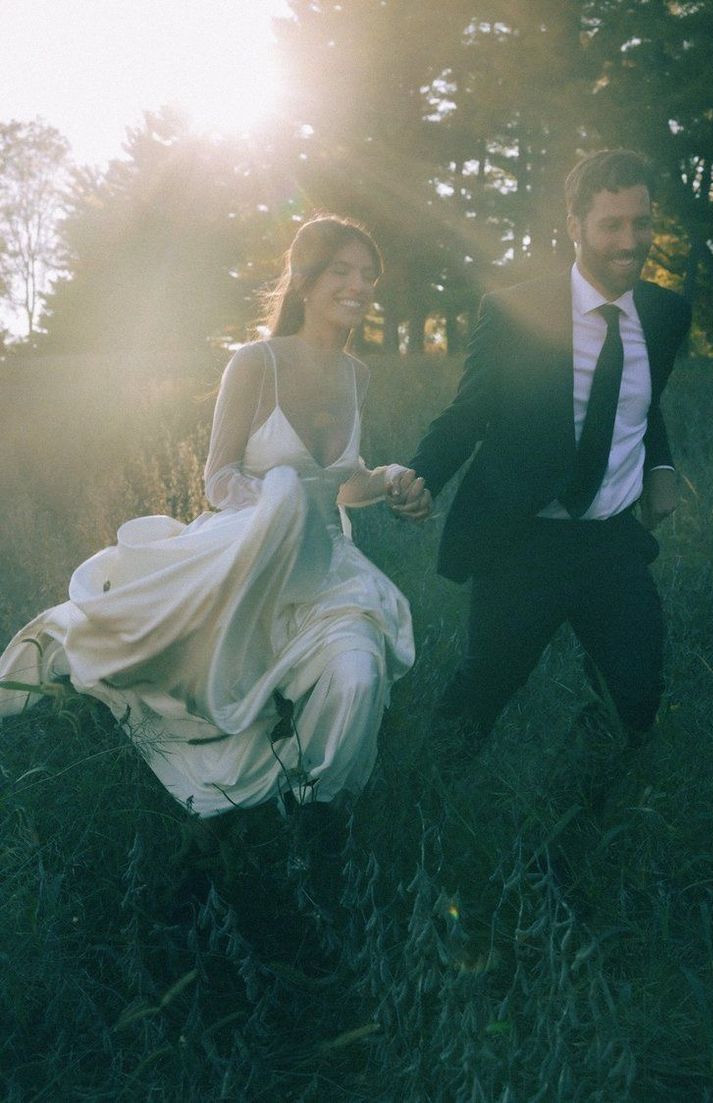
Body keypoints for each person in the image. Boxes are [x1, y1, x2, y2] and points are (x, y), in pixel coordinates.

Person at [0, 216, 420, 821]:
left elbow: (344, 484)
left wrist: (391, 478)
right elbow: (218, 477)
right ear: (305, 280)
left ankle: (319, 812)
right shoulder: (255, 362)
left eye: (369, 276)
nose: (360, 285)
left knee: (356, 677)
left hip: (329, 568)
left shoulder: (359, 374)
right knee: (186, 674)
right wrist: (279, 507)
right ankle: (228, 805)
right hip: (247, 549)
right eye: (343, 271)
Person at [391, 149, 692, 760]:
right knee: (482, 692)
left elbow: (638, 395)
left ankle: (571, 827)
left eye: (642, 222)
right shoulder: (514, 311)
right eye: (611, 225)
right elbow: (469, 413)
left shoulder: (665, 313)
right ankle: (429, 802)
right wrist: (419, 476)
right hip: (522, 539)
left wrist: (659, 466)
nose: (630, 240)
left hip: (611, 542)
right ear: (574, 227)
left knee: (635, 695)